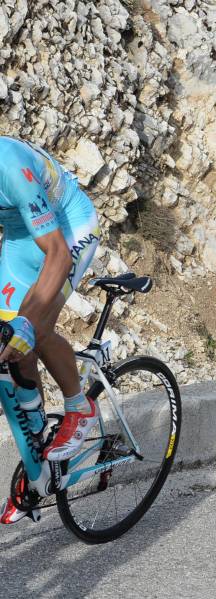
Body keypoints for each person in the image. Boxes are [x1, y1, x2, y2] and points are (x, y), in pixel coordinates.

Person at [0, 137, 101, 524]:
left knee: (31, 327)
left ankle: (80, 405)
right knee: (9, 341)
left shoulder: (10, 168)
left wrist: (25, 321)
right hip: (21, 237)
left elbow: (57, 253)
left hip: (68, 229)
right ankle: (36, 445)